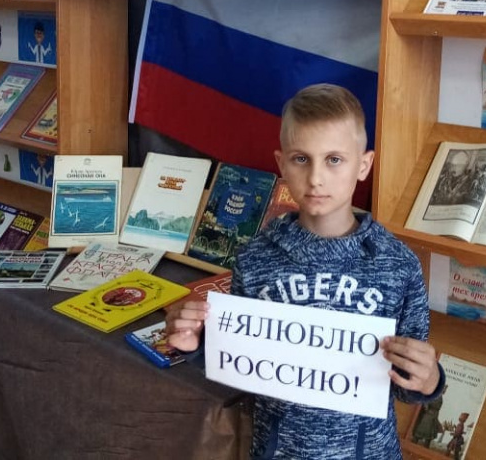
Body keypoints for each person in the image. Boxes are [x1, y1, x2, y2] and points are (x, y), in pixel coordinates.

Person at [165, 83, 444, 459]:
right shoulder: (255, 259)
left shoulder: (398, 265)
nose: (316, 177)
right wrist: (198, 343)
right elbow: (243, 360)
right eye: (301, 159)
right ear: (281, 164)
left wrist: (428, 380)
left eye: (334, 159)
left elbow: (406, 381)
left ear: (363, 166)